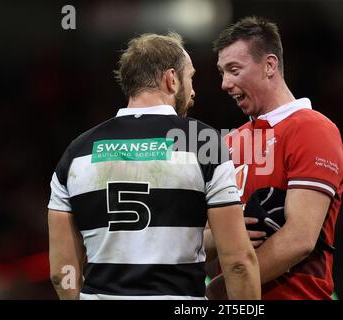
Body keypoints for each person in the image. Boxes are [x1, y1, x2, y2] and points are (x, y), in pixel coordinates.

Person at [47, 32, 260, 300]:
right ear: (171, 79)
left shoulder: (76, 152)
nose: (193, 91)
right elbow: (238, 262)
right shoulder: (202, 143)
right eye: (190, 77)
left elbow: (60, 272)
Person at [205, 16, 343, 300]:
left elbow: (299, 239)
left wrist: (228, 285)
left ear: (270, 65)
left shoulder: (312, 128)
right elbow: (204, 237)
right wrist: (224, 238)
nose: (224, 83)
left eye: (234, 70)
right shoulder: (228, 142)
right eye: (222, 72)